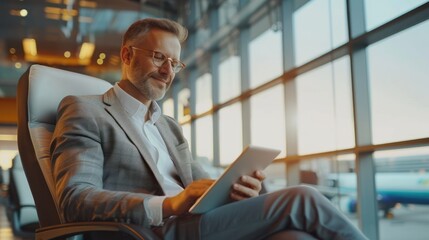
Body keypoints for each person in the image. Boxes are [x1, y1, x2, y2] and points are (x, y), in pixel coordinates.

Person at [50, 17, 368, 240]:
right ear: (127, 54)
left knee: (294, 236)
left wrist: (238, 190)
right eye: (159, 57)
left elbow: (201, 184)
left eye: (175, 63)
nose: (167, 71)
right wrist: (170, 205)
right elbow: (76, 199)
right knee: (303, 198)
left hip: (197, 223)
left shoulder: (169, 127)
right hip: (150, 230)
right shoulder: (86, 110)